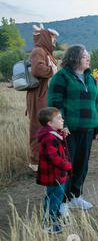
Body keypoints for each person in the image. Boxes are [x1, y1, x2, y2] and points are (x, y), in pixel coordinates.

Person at [48, 44, 98, 215]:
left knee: (82, 164)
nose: (88, 58)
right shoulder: (61, 77)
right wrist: (62, 126)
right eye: (85, 56)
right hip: (69, 130)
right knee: (67, 166)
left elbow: (97, 104)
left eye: (88, 56)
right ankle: (63, 201)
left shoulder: (90, 78)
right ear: (74, 58)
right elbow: (55, 103)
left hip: (87, 129)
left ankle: (75, 196)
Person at [27, 24, 59, 172]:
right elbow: (37, 69)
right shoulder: (38, 51)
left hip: (46, 95)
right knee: (37, 127)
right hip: (38, 96)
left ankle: (46, 159)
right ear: (46, 38)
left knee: (47, 127)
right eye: (52, 38)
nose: (54, 41)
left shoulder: (47, 53)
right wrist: (51, 70)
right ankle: (35, 162)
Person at [36, 107, 72, 234]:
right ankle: (49, 224)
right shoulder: (50, 137)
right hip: (54, 175)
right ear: (50, 123)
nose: (62, 120)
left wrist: (63, 134)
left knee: (53, 197)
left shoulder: (53, 134)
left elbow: (58, 146)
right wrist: (66, 165)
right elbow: (53, 157)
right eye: (59, 118)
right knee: (54, 199)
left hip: (57, 174)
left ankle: (53, 219)